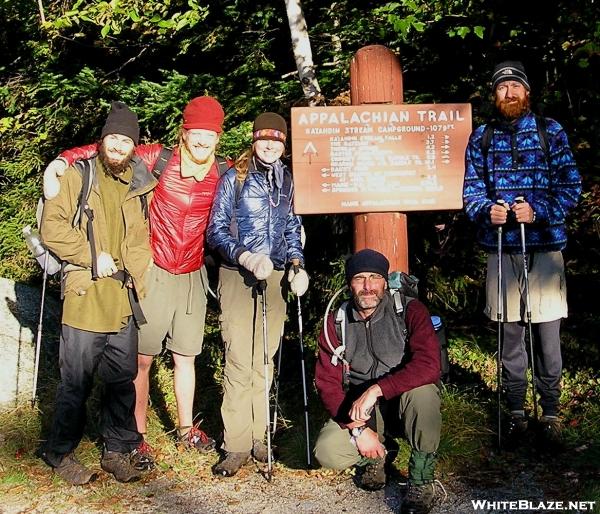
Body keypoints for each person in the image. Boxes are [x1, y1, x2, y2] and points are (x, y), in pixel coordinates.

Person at [42, 96, 229, 465]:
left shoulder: (223, 172)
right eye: (196, 132)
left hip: (192, 272)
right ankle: (138, 434)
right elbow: (110, 147)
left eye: (210, 134)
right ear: (184, 132)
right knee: (142, 359)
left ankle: (186, 427)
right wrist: (61, 161)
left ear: (218, 138)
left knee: (185, 357)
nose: (202, 140)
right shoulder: (157, 158)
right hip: (155, 270)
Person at [463, 61, 582, 443]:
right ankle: (515, 410)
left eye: (515, 86)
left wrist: (539, 211)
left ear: (527, 91)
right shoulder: (481, 137)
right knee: (509, 336)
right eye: (502, 88)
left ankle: (550, 413)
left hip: (544, 249)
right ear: (494, 94)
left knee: (547, 336)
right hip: (501, 251)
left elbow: (571, 188)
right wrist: (488, 211)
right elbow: (471, 192)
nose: (509, 93)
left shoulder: (551, 132)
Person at [39, 102, 156, 485]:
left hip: (123, 298)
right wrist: (92, 256)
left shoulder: (139, 184)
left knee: (122, 380)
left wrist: (141, 277)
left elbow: (140, 239)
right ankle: (59, 452)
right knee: (77, 381)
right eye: (113, 138)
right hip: (86, 294)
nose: (119, 146)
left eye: (126, 140)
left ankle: (117, 450)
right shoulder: (78, 176)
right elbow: (52, 228)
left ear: (133, 146)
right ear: (102, 140)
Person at [206, 112, 309, 476]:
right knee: (238, 357)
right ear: (254, 140)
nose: (270, 145)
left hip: (277, 276)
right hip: (238, 275)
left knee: (265, 358)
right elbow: (215, 231)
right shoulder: (234, 178)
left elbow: (293, 226)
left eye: (277, 140)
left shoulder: (288, 181)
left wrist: (296, 263)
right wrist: (244, 255)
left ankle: (258, 436)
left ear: (284, 144)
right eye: (265, 139)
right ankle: (235, 444)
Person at [314, 249, 441, 514]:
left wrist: (377, 389)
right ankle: (377, 456)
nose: (368, 286)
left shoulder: (409, 310)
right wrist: (358, 430)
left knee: (425, 394)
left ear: (385, 281)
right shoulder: (336, 321)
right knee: (327, 452)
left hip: (405, 401)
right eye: (359, 278)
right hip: (364, 412)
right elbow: (327, 382)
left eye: (374, 277)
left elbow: (429, 365)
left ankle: (421, 477)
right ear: (350, 284)